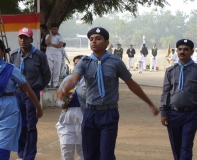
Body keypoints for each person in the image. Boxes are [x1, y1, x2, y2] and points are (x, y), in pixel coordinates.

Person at [57, 27, 159, 160]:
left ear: (106, 43)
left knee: (106, 155)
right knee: (89, 155)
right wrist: (64, 89)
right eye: (91, 39)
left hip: (108, 113)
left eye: (98, 39)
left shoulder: (115, 62)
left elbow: (132, 84)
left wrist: (150, 103)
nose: (94, 42)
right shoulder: (84, 62)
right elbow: (73, 79)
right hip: (89, 114)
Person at [160, 39, 197, 160]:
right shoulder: (170, 71)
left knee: (186, 145)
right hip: (173, 113)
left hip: (190, 114)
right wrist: (164, 112)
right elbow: (165, 93)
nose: (182, 52)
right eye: (180, 49)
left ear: (192, 52)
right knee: (176, 146)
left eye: (186, 49)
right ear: (176, 51)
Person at [10, 27, 51, 160]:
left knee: (31, 125)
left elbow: (46, 75)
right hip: (17, 93)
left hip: (32, 93)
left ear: (31, 39)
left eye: (26, 37)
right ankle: (21, 154)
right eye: (21, 37)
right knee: (19, 124)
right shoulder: (14, 55)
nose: (23, 40)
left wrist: (38, 89)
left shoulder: (39, 55)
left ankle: (29, 156)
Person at [56, 55, 86, 160]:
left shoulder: (90, 80)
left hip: (84, 117)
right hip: (67, 118)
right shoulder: (68, 79)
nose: (77, 66)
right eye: (75, 64)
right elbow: (59, 97)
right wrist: (62, 104)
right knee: (66, 148)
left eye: (80, 63)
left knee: (83, 150)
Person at [45, 23, 64, 88]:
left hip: (58, 54)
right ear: (51, 30)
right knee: (49, 69)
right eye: (53, 29)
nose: (54, 30)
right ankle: (48, 83)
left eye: (55, 29)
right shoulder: (48, 35)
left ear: (58, 29)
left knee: (57, 70)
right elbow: (47, 43)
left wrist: (51, 45)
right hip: (49, 54)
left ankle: (55, 84)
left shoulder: (60, 36)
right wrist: (50, 34)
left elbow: (60, 45)